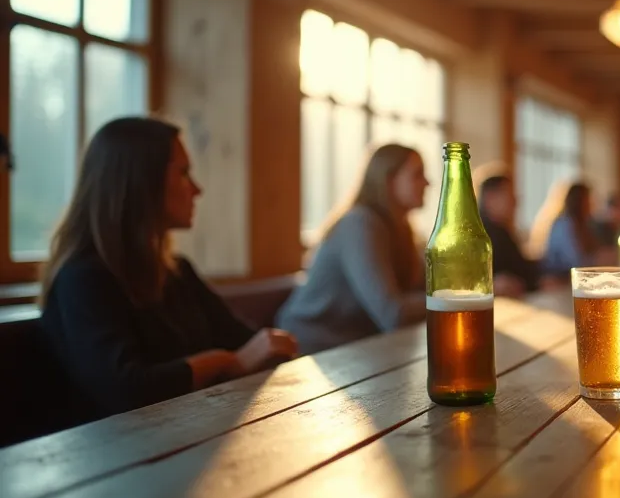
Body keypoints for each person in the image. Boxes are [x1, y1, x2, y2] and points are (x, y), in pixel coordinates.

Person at [39, 118, 299, 422]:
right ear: (141, 183)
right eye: (184, 173)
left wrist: (262, 349)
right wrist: (223, 362)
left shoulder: (177, 272)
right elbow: (126, 390)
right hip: (118, 448)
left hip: (189, 431)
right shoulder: (82, 278)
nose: (197, 189)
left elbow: (245, 341)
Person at [277, 144, 428, 354]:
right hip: (310, 347)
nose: (428, 183)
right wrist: (449, 300)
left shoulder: (402, 230)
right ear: (389, 180)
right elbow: (393, 314)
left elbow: (426, 287)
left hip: (356, 347)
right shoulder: (360, 224)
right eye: (417, 174)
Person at [475, 165, 541, 298]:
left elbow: (521, 268)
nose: (515, 201)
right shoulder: (478, 235)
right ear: (490, 197)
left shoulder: (501, 231)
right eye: (509, 194)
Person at [529, 180, 612, 279]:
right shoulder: (563, 225)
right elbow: (575, 262)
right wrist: (600, 259)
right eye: (589, 200)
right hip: (557, 279)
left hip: (572, 278)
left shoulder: (586, 224)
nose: (593, 204)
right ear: (579, 202)